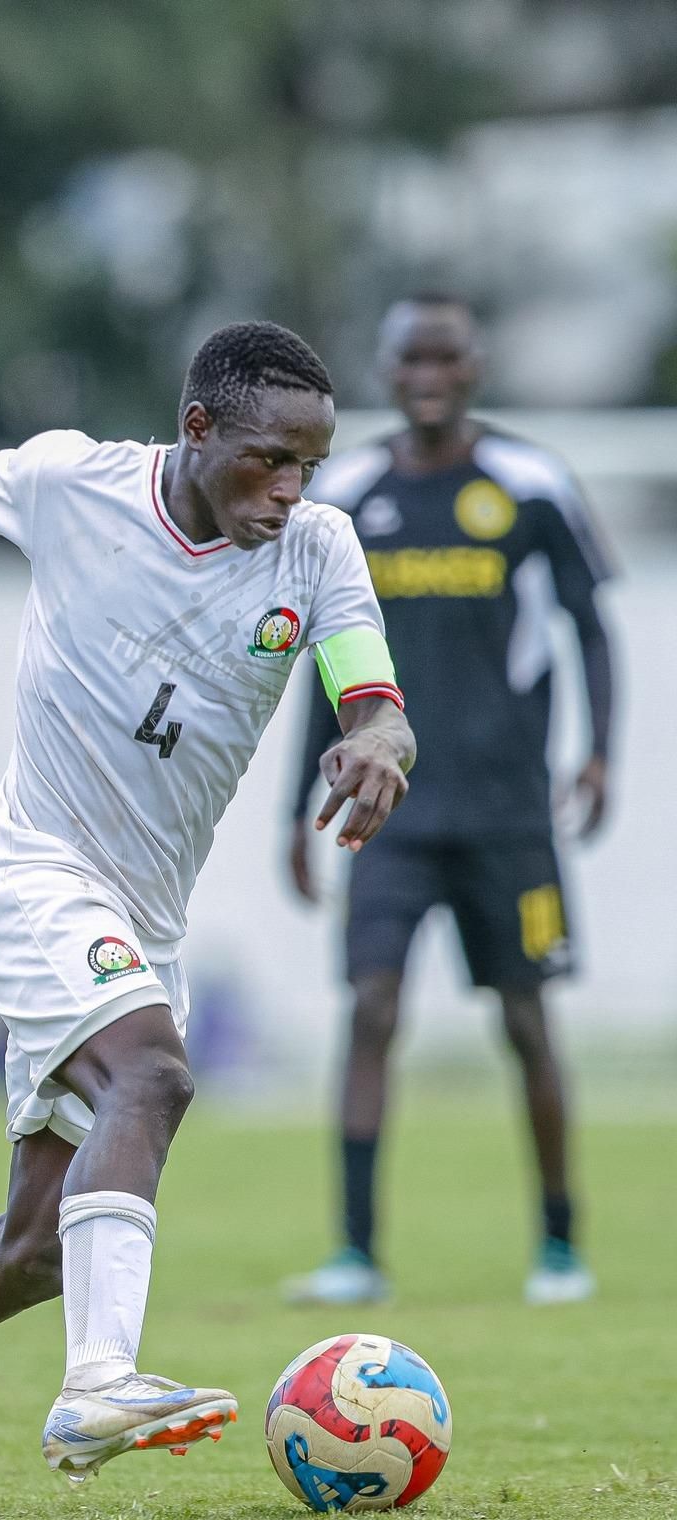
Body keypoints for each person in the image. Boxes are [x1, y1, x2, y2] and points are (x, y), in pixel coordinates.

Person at [0, 321, 414, 1502]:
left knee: (37, 1251)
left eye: (307, 463)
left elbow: (370, 696)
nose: (288, 487)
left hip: (142, 921)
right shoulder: (72, 483)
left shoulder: (314, 549)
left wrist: (376, 743)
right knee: (149, 1078)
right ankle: (99, 1380)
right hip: (27, 872)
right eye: (268, 459)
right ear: (195, 430)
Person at [281, 294, 615, 1308]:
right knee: (371, 1008)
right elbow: (319, 661)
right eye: (407, 358)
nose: (426, 373)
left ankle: (557, 1247)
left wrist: (597, 755)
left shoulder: (526, 484)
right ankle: (353, 1252)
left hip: (510, 814)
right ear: (384, 373)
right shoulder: (345, 494)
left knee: (524, 1018)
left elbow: (588, 629)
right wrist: (295, 804)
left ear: (472, 366)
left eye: (444, 356)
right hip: (390, 814)